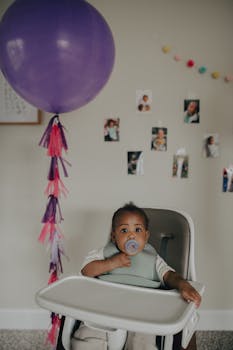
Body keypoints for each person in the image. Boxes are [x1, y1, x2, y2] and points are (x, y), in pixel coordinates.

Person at [72, 203, 201, 350]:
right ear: (114, 236)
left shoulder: (153, 259)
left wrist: (183, 285)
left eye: (137, 230)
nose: (131, 235)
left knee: (142, 343)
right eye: (124, 230)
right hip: (105, 307)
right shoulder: (104, 253)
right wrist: (111, 263)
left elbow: (169, 275)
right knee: (87, 338)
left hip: (142, 312)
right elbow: (86, 271)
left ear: (146, 236)